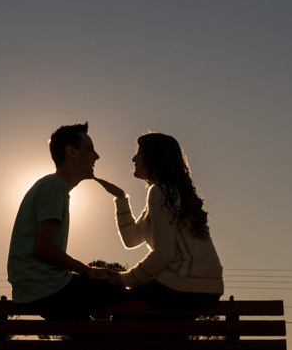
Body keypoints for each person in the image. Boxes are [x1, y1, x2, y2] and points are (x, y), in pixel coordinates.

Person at [7, 122, 130, 319]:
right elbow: (44, 247)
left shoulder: (51, 186)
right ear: (71, 152)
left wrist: (93, 272)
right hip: (46, 287)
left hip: (37, 287)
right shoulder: (55, 186)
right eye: (90, 149)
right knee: (126, 294)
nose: (96, 156)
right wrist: (88, 272)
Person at [95, 132, 224, 310]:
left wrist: (124, 279)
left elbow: (164, 254)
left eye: (139, 153)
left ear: (154, 158)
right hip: (200, 285)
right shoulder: (169, 192)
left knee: (116, 305)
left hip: (187, 285)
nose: (134, 159)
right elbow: (131, 240)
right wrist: (121, 198)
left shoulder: (161, 192)